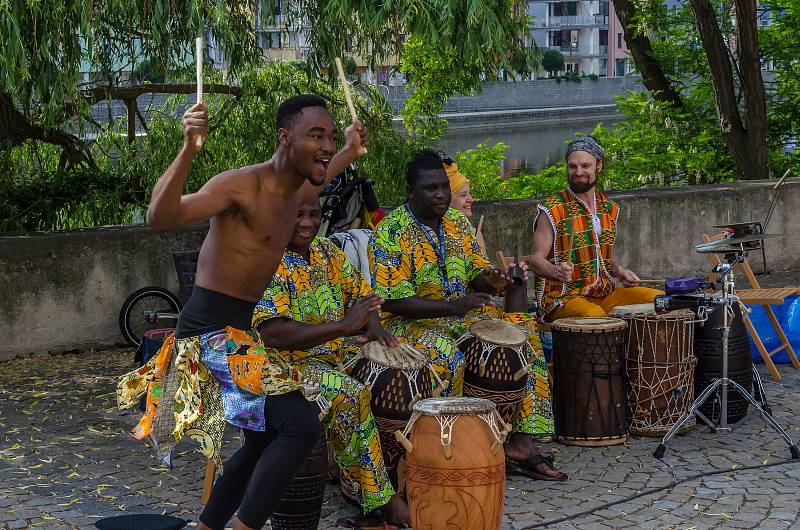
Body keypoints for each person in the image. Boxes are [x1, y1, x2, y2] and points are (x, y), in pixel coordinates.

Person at [116, 94, 369, 530]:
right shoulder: (240, 186)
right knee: (300, 425)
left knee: (264, 438)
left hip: (240, 333)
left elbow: (324, 174)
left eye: (329, 135)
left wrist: (348, 148)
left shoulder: (299, 188)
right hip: (209, 332)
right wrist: (188, 149)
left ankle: (207, 525)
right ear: (284, 138)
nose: (325, 145)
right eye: (316, 135)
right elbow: (161, 216)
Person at [369, 149, 566, 481]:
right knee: (449, 355)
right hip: (410, 323)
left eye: (444, 188)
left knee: (524, 330)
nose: (441, 195)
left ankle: (521, 441)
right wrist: (456, 306)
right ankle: (451, 452)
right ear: (409, 191)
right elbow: (392, 302)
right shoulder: (390, 230)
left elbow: (476, 275)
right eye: (431, 188)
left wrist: (493, 279)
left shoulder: (458, 222)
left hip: (460, 316)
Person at [252, 187, 411, 527]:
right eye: (299, 215)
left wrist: (376, 329)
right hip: (285, 367)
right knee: (351, 395)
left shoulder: (327, 251)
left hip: (335, 355)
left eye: (314, 214)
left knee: (399, 369)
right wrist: (343, 326)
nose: (308, 223)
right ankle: (379, 500)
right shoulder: (268, 261)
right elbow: (273, 333)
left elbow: (363, 296)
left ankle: (377, 479)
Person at [530, 136, 661, 321]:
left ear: (598, 166)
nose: (578, 171)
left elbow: (599, 256)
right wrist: (556, 271)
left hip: (605, 294)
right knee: (595, 316)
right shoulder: (553, 208)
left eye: (585, 166)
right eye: (572, 166)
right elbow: (535, 260)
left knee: (659, 301)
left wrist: (620, 271)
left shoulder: (608, 208)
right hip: (563, 298)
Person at [443, 159, 487, 254]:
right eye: (463, 195)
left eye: (469, 194)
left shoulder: (475, 234)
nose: (471, 200)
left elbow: (486, 268)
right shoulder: (434, 236)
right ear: (446, 199)